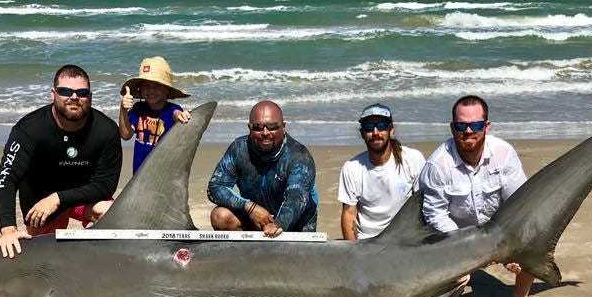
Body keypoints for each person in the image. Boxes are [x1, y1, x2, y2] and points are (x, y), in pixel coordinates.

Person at [417, 95, 547, 297]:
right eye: (461, 125)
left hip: (497, 229)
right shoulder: (437, 165)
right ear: (452, 127)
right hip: (455, 236)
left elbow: (520, 204)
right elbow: (434, 215)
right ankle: (458, 279)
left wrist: (510, 248)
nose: (468, 131)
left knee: (537, 234)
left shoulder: (503, 153)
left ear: (486, 126)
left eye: (475, 125)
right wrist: (473, 247)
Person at [0, 64, 122, 258]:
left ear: (90, 96)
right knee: (35, 255)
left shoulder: (106, 130)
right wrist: (8, 229)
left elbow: (106, 185)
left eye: (82, 92)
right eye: (65, 91)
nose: (74, 97)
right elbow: (5, 178)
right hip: (40, 205)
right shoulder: (29, 129)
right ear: (53, 94)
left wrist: (58, 198)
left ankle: (98, 260)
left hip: (82, 198)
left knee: (112, 213)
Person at [207, 100, 318, 237]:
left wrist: (279, 224)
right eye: (258, 127)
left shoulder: (299, 156)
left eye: (272, 126)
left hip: (295, 225)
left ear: (283, 127)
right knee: (220, 216)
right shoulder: (239, 149)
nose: (265, 132)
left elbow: (297, 197)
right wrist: (249, 207)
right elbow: (216, 186)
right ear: (249, 127)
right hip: (257, 221)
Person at [338, 103, 426, 240]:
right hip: (367, 241)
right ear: (362, 134)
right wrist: (354, 251)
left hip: (405, 238)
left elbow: (424, 204)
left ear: (391, 130)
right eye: (368, 128)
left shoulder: (413, 159)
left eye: (381, 126)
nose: (375, 133)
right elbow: (349, 215)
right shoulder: (351, 168)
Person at [118, 56, 191, 173]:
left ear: (167, 90)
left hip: (163, 173)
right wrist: (123, 110)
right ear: (140, 89)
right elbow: (126, 135)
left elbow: (177, 115)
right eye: (146, 86)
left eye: (157, 86)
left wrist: (183, 116)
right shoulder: (138, 109)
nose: (151, 90)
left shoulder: (172, 109)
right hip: (139, 174)